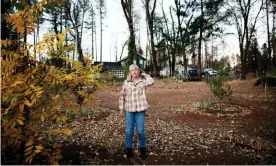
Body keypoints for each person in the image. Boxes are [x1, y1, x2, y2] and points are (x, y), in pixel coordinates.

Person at [119, 64, 154, 159]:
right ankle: (128, 149)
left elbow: (151, 81)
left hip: (140, 110)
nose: (134, 71)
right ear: (130, 72)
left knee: (140, 131)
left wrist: (145, 74)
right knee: (129, 130)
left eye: (136, 69)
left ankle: (143, 149)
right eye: (132, 70)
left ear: (139, 71)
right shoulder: (126, 82)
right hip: (129, 110)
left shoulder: (143, 81)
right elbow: (122, 95)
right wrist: (121, 108)